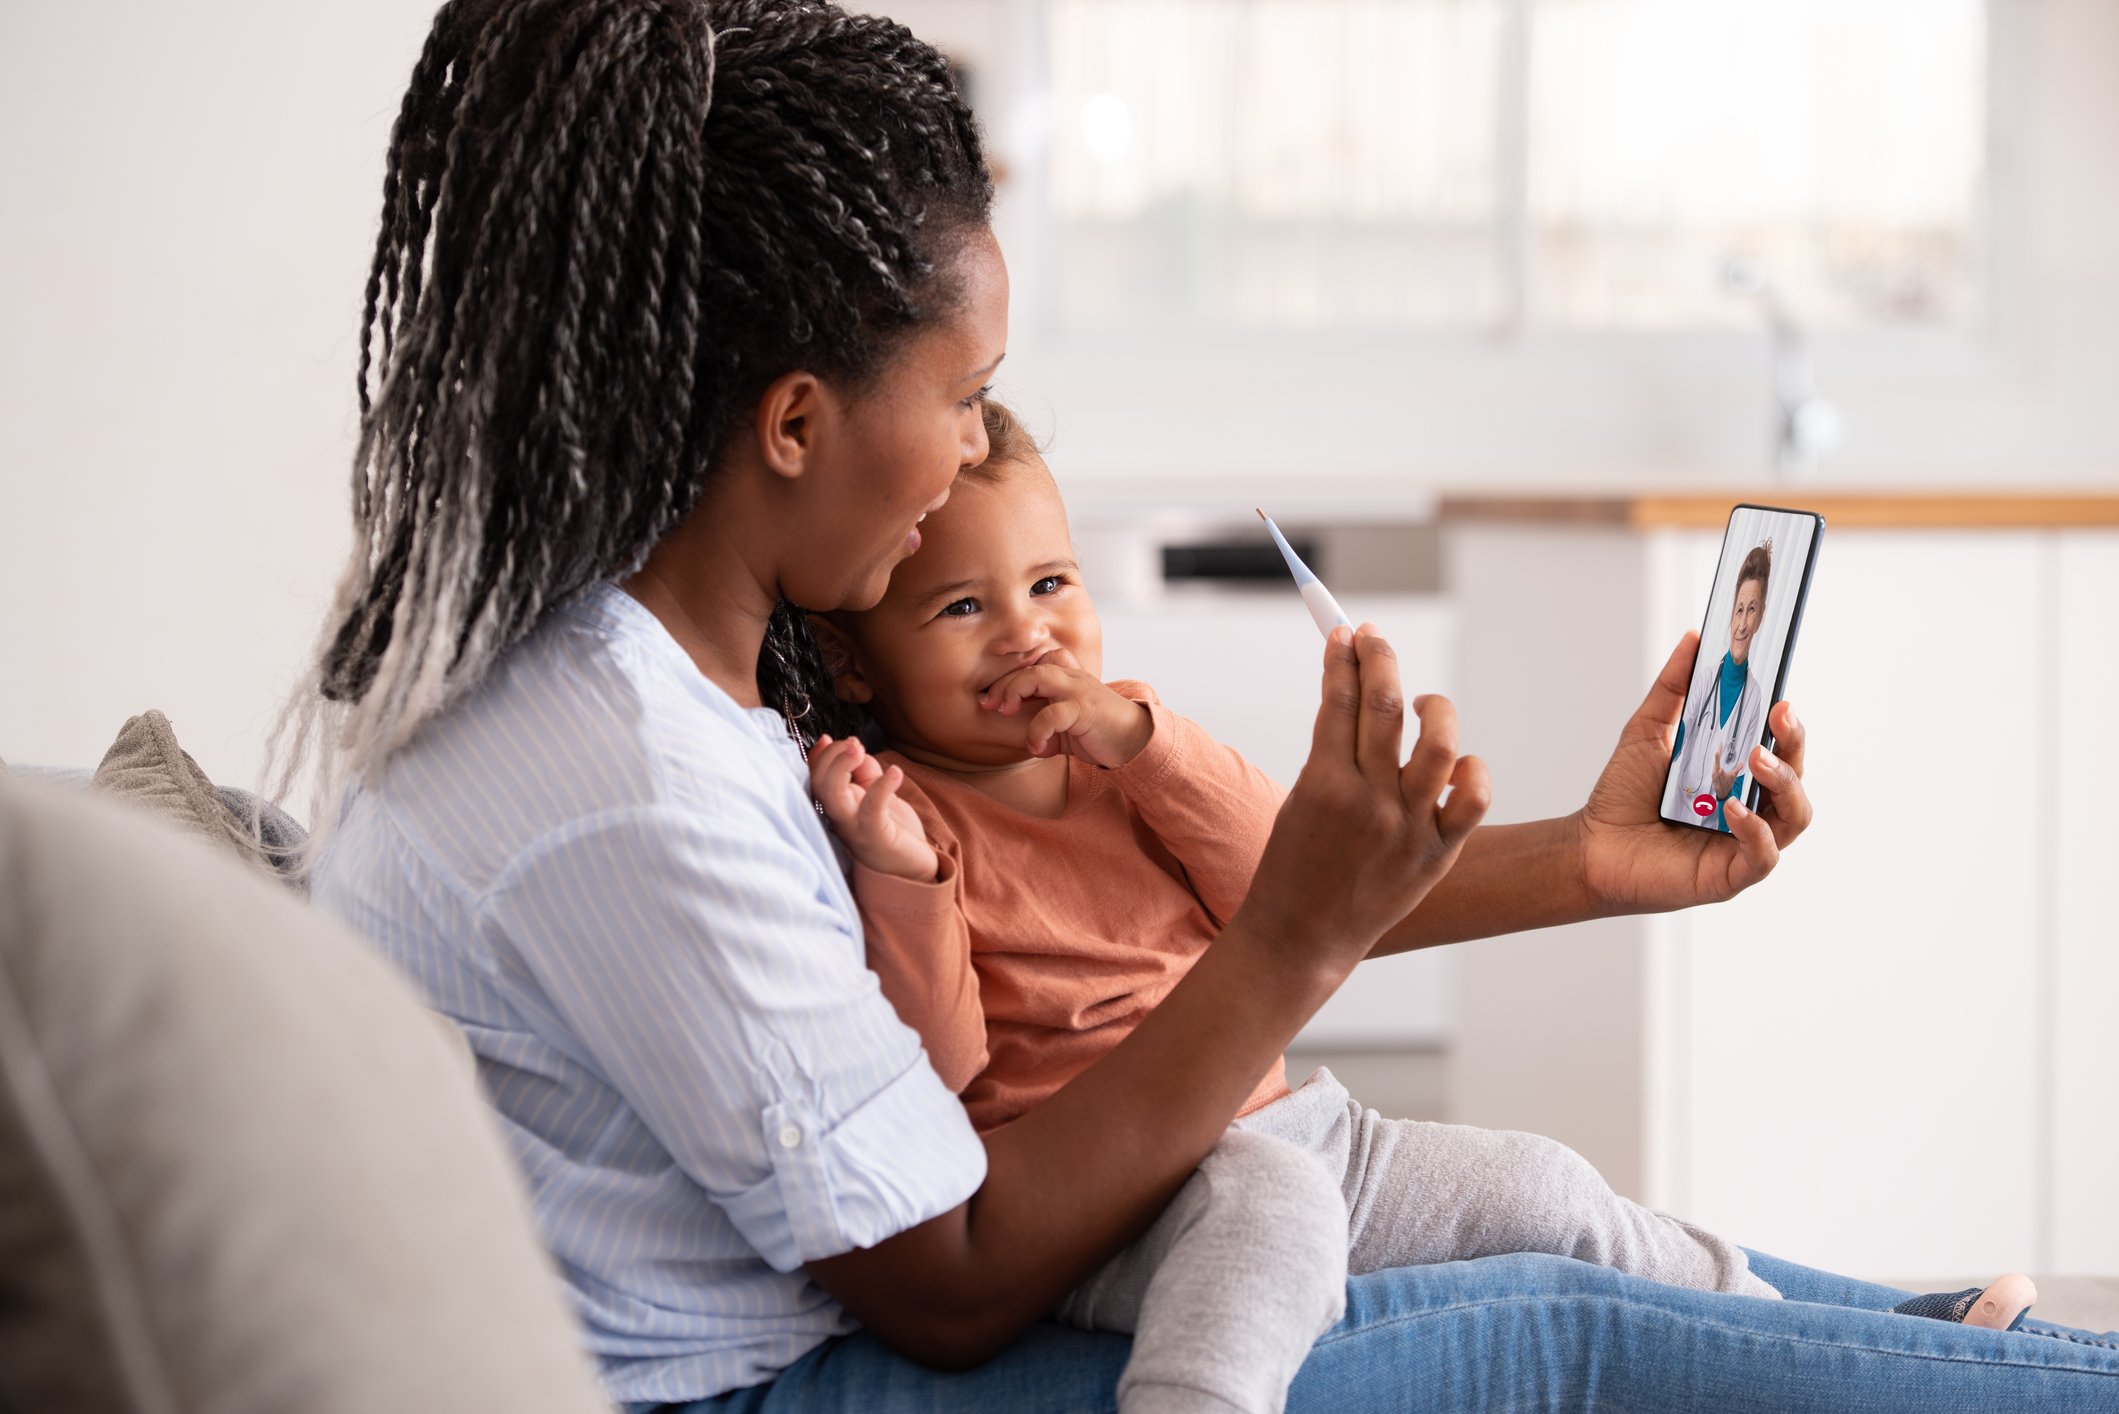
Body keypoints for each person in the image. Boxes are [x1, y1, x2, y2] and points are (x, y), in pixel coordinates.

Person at [293, 2, 2119, 1409]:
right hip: (783, 1378)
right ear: (791, 424)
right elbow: (948, 1266)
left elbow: (1229, 885)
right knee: (1551, 1327)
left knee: (1555, 1213)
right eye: (964, 390)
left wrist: (1581, 853)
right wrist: (1288, 953)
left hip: (953, 1265)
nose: (970, 462)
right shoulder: (632, 766)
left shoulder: (684, 661)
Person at [802, 402, 2040, 1414]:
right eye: (964, 608)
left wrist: (1140, 736)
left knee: (1549, 1187)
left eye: (1053, 583)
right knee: (1268, 1213)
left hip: (1299, 1130)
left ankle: (1837, 1349)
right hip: (1116, 1203)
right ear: (857, 660)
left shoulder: (1126, 755)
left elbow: (1277, 873)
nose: (1028, 635)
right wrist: (899, 878)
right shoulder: (905, 818)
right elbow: (943, 1076)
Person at [1669, 542, 1772, 832]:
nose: (1742, 624)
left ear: (1761, 617)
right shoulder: (1703, 679)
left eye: (1751, 610)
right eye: (1739, 610)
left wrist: (1726, 793)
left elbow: (1732, 817)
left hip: (1712, 834)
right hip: (1674, 820)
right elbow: (1674, 743)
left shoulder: (1754, 698)